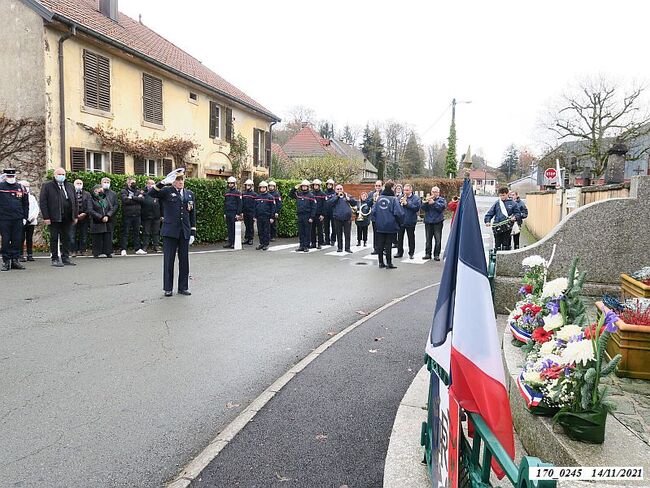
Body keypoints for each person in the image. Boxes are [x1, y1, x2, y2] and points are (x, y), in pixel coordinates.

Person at [148, 170, 196, 297]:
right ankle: (168, 288)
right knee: (169, 260)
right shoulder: (166, 191)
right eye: (177, 180)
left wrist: (192, 232)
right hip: (170, 231)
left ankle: (183, 287)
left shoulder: (189, 194)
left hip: (184, 231)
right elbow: (151, 193)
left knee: (184, 261)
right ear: (173, 181)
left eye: (182, 180)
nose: (180, 182)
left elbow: (192, 214)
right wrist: (163, 182)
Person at [39, 167, 78, 267]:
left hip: (68, 216)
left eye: (63, 174)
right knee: (54, 238)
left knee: (67, 238)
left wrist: (75, 216)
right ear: (55, 175)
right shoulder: (47, 186)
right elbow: (43, 202)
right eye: (59, 174)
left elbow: (75, 202)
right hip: (54, 217)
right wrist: (46, 217)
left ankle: (65, 258)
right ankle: (55, 258)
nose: (61, 176)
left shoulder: (70, 186)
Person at [0, 168, 29, 271]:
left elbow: (26, 204)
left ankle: (15, 260)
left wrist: (25, 217)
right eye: (9, 176)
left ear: (15, 176)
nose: (11, 178)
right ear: (5, 176)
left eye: (12, 176)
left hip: (18, 219)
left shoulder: (21, 187)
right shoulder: (1, 187)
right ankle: (6, 261)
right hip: (4, 219)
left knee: (17, 240)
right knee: (6, 240)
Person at [371, 181, 404, 269]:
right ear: (392, 188)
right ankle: (389, 263)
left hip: (380, 224)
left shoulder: (379, 198)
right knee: (388, 245)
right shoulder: (393, 199)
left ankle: (381, 262)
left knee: (380, 244)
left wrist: (377, 220)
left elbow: (373, 211)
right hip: (390, 225)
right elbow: (398, 213)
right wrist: (400, 222)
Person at [484, 187, 521, 251]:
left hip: (507, 227)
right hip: (497, 226)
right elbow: (490, 213)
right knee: (497, 244)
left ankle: (504, 258)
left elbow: (518, 214)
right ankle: (497, 257)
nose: (502, 197)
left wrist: (514, 217)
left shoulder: (513, 203)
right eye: (500, 195)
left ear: (507, 194)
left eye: (503, 195)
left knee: (506, 244)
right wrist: (487, 221)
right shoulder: (497, 203)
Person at [326, 184, 357, 253]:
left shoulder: (347, 195)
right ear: (335, 190)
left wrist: (349, 199)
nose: (340, 190)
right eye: (338, 189)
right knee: (339, 234)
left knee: (347, 234)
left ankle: (347, 248)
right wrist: (337, 197)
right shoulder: (333, 196)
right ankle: (340, 247)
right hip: (337, 218)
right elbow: (329, 203)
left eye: (341, 189)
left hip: (347, 218)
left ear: (343, 189)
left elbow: (355, 202)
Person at [395, 184, 421, 259]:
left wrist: (407, 204)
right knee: (399, 238)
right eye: (404, 190)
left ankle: (411, 253)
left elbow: (416, 208)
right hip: (401, 221)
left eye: (407, 190)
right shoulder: (400, 197)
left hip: (410, 221)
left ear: (411, 190)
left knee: (411, 238)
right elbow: (396, 208)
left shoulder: (416, 198)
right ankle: (399, 252)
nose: (405, 192)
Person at [120, 177, 146, 255]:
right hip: (127, 215)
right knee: (125, 232)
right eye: (132, 182)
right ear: (128, 183)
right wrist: (136, 199)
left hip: (137, 215)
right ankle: (123, 249)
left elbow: (142, 200)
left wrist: (132, 197)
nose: (133, 184)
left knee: (137, 233)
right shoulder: (124, 191)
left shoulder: (138, 191)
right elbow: (125, 200)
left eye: (134, 182)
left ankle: (137, 248)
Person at [87, 184, 114, 258]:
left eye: (101, 189)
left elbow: (111, 208)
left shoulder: (106, 198)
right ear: (95, 191)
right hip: (97, 221)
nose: (101, 191)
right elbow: (90, 210)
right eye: (99, 190)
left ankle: (108, 252)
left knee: (107, 237)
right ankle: (96, 253)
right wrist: (101, 217)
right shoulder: (91, 199)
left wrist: (108, 215)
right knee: (97, 238)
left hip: (107, 220)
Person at [289, 179, 316, 252]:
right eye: (303, 186)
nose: (304, 187)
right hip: (300, 215)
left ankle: (306, 246)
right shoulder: (299, 194)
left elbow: (314, 207)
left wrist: (311, 217)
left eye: (305, 186)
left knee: (307, 231)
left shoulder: (311, 195)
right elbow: (290, 195)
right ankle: (301, 245)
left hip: (307, 215)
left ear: (308, 187)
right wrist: (294, 188)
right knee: (301, 231)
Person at [422, 186, 447, 261]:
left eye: (435, 192)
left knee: (438, 239)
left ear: (438, 193)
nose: (434, 193)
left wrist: (434, 203)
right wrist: (426, 203)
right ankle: (427, 254)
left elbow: (441, 208)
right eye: (433, 192)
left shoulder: (442, 200)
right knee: (428, 239)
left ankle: (436, 255)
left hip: (437, 222)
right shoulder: (428, 198)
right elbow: (423, 208)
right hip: (428, 222)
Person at [18, 179, 39, 262]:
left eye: (28, 186)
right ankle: (20, 254)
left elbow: (36, 208)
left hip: (31, 221)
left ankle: (30, 254)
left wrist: (32, 217)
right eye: (25, 186)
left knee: (29, 238)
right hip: (21, 220)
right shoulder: (18, 197)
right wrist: (23, 218)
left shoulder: (32, 197)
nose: (27, 188)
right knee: (21, 238)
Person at [70, 179, 91, 256]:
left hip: (84, 217)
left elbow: (89, 206)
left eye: (80, 183)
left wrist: (84, 213)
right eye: (77, 183)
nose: (79, 185)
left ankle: (83, 250)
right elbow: (68, 205)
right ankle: (73, 251)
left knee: (84, 235)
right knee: (72, 235)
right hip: (73, 217)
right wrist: (75, 215)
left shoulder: (87, 194)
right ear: (74, 185)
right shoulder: (70, 193)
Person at [254, 181, 276, 250]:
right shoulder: (257, 197)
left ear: (266, 188)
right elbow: (255, 207)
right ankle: (261, 243)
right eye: (261, 187)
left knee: (266, 231)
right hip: (259, 217)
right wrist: (255, 216)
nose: (262, 189)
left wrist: (272, 217)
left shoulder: (270, 197)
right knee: (260, 231)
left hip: (267, 217)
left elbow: (273, 208)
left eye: (264, 187)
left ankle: (266, 244)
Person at [142, 179, 162, 253]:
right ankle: (145, 246)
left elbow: (162, 205)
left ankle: (156, 246)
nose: (151, 185)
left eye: (153, 183)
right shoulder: (144, 193)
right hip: (146, 216)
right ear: (146, 185)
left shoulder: (158, 193)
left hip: (156, 216)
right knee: (146, 232)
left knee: (156, 232)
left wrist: (162, 215)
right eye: (149, 184)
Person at [223, 176, 243, 249]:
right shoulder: (227, 193)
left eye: (232, 183)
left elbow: (240, 204)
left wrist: (238, 214)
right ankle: (230, 242)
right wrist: (225, 213)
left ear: (234, 184)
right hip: (228, 212)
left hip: (234, 213)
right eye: (229, 183)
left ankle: (234, 243)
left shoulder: (238, 193)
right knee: (229, 228)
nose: (230, 185)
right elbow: (225, 203)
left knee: (234, 228)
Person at [366, 180, 383, 255]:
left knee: (383, 233)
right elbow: (368, 204)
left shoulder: (384, 193)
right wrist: (373, 198)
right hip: (374, 216)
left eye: (379, 186)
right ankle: (376, 248)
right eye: (376, 186)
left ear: (382, 186)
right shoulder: (371, 193)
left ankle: (384, 248)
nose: (377, 187)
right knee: (375, 233)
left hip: (383, 216)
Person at [101, 176, 118, 245]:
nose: (106, 183)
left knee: (110, 234)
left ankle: (109, 249)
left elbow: (116, 205)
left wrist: (109, 214)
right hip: (100, 217)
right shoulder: (97, 192)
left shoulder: (113, 193)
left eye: (108, 182)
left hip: (111, 217)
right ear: (101, 183)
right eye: (105, 182)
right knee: (101, 234)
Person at [310, 179, 326, 249]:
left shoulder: (323, 194)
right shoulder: (311, 194)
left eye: (317, 185)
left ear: (319, 186)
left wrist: (323, 214)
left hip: (319, 214)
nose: (315, 186)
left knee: (320, 230)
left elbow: (325, 205)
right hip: (312, 214)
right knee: (312, 229)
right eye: (314, 185)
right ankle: (313, 243)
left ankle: (320, 243)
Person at [241, 179, 257, 245]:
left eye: (248, 185)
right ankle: (246, 238)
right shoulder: (243, 194)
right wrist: (241, 212)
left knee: (250, 226)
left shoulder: (254, 194)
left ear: (251, 186)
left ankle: (250, 239)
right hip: (245, 212)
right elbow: (242, 203)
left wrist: (254, 215)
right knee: (246, 226)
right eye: (246, 185)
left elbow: (256, 205)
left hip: (251, 212)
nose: (247, 186)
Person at [323, 178, 336, 245]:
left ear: (332, 185)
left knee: (334, 226)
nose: (329, 186)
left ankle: (333, 240)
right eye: (328, 184)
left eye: (330, 184)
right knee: (326, 227)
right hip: (326, 212)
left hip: (333, 212)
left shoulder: (334, 193)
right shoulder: (324, 192)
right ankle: (327, 240)